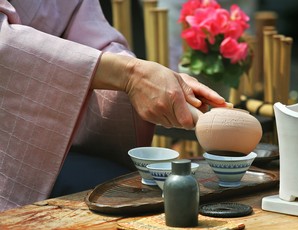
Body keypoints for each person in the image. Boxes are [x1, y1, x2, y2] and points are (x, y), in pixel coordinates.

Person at [0, 0, 229, 211]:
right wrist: (128, 75)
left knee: (125, 186)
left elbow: (96, 38)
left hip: (60, 146)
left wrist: (152, 76)